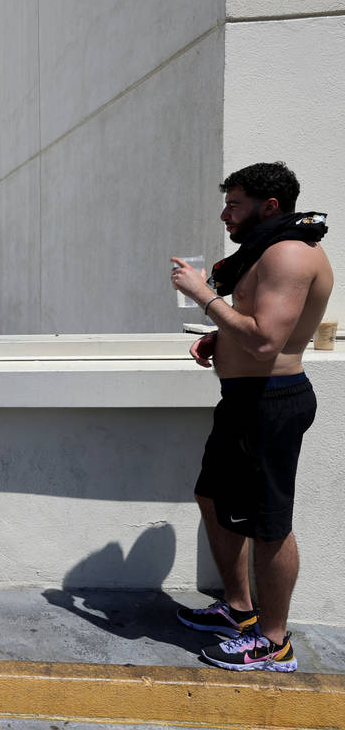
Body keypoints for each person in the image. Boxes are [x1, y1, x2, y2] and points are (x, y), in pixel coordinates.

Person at [171, 161, 332, 672]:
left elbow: (265, 341)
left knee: (269, 524)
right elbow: (253, 326)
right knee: (213, 496)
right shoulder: (263, 252)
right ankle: (239, 610)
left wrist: (203, 297)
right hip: (244, 400)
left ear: (270, 207)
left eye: (234, 204)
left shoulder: (289, 254)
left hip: (272, 401)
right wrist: (219, 338)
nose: (225, 214)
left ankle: (273, 641)